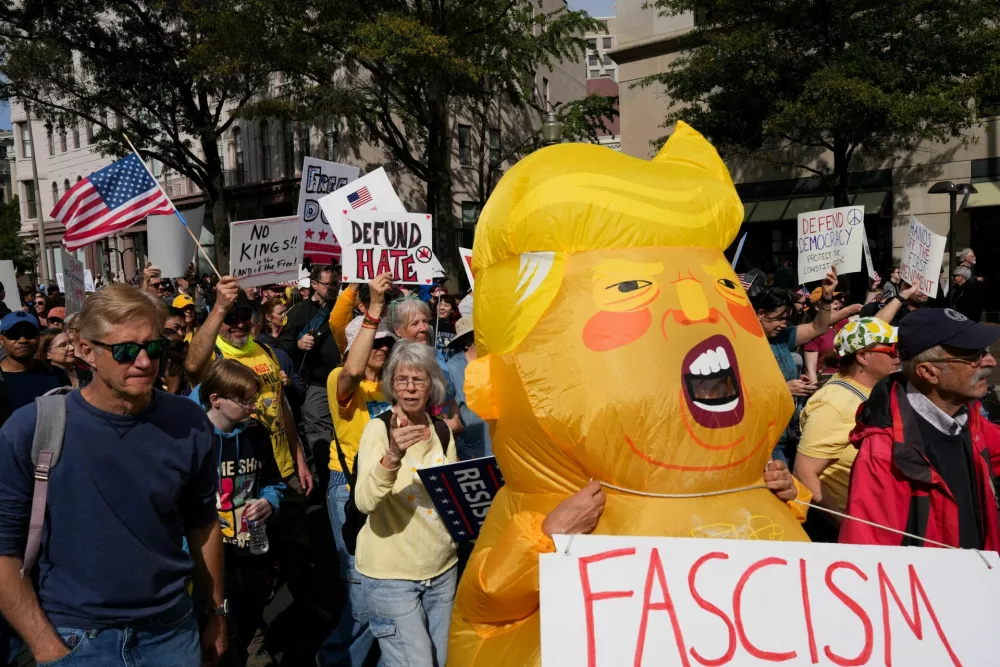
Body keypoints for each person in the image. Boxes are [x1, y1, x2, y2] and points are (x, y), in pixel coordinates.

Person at [0, 283, 225, 666]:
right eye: (125, 350)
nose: (143, 362)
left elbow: (202, 524)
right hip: (75, 638)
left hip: (171, 633)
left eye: (153, 347)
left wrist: (217, 614)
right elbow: (4, 548)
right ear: (86, 351)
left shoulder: (188, 421)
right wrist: (47, 647)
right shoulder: (31, 428)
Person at [841, 308, 1000, 549]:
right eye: (972, 356)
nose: (990, 361)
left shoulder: (972, 418)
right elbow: (869, 553)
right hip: (927, 584)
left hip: (983, 579)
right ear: (928, 372)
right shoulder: (884, 451)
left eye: (985, 352)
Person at [354, 340, 458, 667]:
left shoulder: (441, 431)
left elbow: (451, 499)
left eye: (419, 380)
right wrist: (393, 456)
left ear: (432, 387)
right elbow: (364, 502)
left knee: (442, 661)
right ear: (391, 386)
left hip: (443, 570)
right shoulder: (378, 430)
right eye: (402, 380)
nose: (410, 388)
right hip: (392, 576)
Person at [316, 273, 395, 667]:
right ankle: (333, 659)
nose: (382, 348)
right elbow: (350, 372)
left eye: (386, 343)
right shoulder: (340, 380)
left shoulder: (393, 386)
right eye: (375, 342)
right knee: (362, 593)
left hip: (389, 487)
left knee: (385, 588)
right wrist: (374, 310)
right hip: (348, 488)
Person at [197, 360, 285, 667]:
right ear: (215, 399)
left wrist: (269, 502)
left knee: (251, 617)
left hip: (251, 549)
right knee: (215, 631)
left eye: (254, 399)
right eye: (244, 400)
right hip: (209, 557)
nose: (251, 406)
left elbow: (274, 482)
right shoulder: (195, 438)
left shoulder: (255, 433)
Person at [794, 318, 900, 542]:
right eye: (891, 348)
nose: (898, 355)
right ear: (863, 356)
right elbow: (804, 474)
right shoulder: (834, 403)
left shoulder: (877, 390)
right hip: (847, 533)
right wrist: (849, 524)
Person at [750, 266, 839, 464]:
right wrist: (784, 388)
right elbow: (743, 389)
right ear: (761, 313)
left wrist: (826, 296)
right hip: (764, 437)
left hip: (788, 430)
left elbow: (819, 326)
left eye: (787, 319)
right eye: (779, 318)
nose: (784, 324)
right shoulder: (744, 343)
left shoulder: (780, 338)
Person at [277, 264, 343, 495]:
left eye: (336, 283)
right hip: (317, 386)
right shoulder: (299, 312)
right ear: (314, 284)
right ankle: (324, 486)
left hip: (345, 384)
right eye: (329, 284)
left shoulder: (344, 308)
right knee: (320, 439)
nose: (334, 289)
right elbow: (281, 345)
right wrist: (298, 344)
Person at [385, 297, 462, 433]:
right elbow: (409, 419)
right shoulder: (399, 364)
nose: (424, 328)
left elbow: (451, 395)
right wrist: (448, 426)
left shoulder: (436, 354)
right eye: (415, 323)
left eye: (425, 321)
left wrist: (456, 417)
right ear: (398, 330)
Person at [0, 312, 70, 424]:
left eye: (29, 334)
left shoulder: (56, 374)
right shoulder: (2, 381)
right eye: (14, 335)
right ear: (1, 339)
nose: (22, 340)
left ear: (38, 338)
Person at [446, 316, 491, 460]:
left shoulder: (497, 360)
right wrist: (465, 452)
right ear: (468, 340)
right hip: (477, 454)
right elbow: (451, 416)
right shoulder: (453, 369)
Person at [801, 287, 861, 385]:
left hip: (848, 378)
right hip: (826, 381)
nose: (838, 302)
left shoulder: (842, 324)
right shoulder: (813, 332)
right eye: (832, 300)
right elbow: (810, 368)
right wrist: (815, 392)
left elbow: (866, 315)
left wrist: (872, 289)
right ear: (817, 307)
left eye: (838, 299)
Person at [861, 280, 927, 326]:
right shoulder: (895, 312)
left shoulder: (930, 312)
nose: (923, 291)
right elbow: (874, 325)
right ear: (905, 288)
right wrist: (902, 296)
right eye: (917, 286)